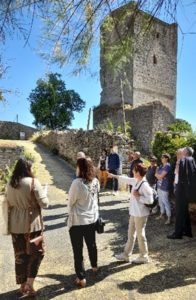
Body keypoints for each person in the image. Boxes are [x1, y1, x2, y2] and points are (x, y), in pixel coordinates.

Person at [5, 158, 49, 297]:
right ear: (28, 169)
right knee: (36, 254)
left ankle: (22, 286)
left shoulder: (10, 184)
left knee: (20, 256)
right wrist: (45, 193)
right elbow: (45, 204)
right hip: (32, 225)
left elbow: (8, 202)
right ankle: (30, 284)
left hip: (15, 225)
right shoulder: (33, 183)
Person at [109, 164, 153, 264]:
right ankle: (126, 255)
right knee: (131, 235)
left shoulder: (144, 184)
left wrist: (138, 197)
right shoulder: (136, 180)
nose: (133, 171)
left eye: (134, 170)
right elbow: (126, 179)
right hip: (134, 213)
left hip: (141, 214)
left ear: (138, 172)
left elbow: (150, 200)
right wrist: (114, 176)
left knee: (140, 235)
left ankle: (144, 256)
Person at [68, 158, 100, 287]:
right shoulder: (96, 181)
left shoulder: (77, 183)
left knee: (78, 250)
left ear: (80, 168)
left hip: (78, 221)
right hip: (91, 219)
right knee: (92, 244)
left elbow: (70, 202)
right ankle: (94, 267)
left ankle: (81, 278)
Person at [167, 147, 196, 239]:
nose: (180, 152)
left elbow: (179, 174)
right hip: (188, 190)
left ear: (185, 152)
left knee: (179, 211)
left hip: (182, 189)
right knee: (184, 211)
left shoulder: (184, 160)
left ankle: (178, 233)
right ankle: (187, 231)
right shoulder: (192, 160)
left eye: (182, 150)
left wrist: (178, 164)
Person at [155, 153, 172, 225]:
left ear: (167, 158)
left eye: (163, 157)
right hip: (159, 186)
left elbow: (160, 176)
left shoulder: (167, 166)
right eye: (161, 157)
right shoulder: (162, 166)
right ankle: (162, 214)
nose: (161, 159)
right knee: (160, 200)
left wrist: (157, 175)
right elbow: (157, 175)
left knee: (165, 201)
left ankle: (169, 218)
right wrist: (158, 175)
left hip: (165, 186)